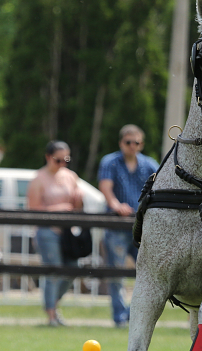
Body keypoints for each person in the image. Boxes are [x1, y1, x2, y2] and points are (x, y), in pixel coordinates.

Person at [97, 125, 158, 328]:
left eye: (137, 142)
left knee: (147, 271)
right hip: (116, 224)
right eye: (128, 142)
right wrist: (116, 206)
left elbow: (159, 188)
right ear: (121, 143)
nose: (133, 146)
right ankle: (120, 317)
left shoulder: (149, 164)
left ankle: (135, 314)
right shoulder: (110, 162)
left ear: (141, 144)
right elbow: (106, 188)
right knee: (116, 273)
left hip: (141, 226)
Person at [26, 141, 84, 326]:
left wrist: (78, 200)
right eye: (58, 160)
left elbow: (77, 207)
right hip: (47, 231)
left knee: (72, 268)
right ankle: (51, 315)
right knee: (53, 271)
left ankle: (52, 305)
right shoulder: (38, 179)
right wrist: (59, 208)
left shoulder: (70, 176)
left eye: (66, 160)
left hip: (67, 232)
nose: (62, 164)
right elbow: (33, 209)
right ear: (48, 157)